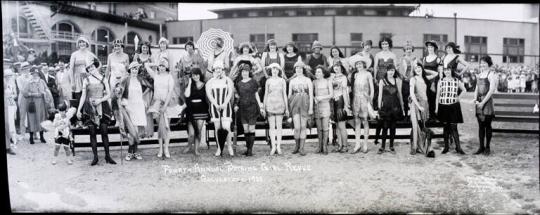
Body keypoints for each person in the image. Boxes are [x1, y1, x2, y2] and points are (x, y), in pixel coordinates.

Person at [76, 58, 117, 165]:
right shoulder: (86, 80)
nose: (91, 69)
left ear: (96, 66)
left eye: (92, 67)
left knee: (104, 131)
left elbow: (109, 94)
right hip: (89, 108)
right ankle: (95, 157)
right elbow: (83, 96)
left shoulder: (103, 79)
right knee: (92, 132)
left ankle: (108, 156)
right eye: (88, 68)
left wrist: (100, 100)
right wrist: (79, 110)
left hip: (102, 106)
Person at [144, 59, 175, 159]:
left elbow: (170, 92)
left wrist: (165, 105)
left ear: (166, 67)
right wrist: (157, 63)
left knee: (166, 126)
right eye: (160, 66)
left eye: (163, 66)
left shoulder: (169, 77)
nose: (161, 67)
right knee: (160, 127)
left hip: (167, 104)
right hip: (156, 104)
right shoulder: (156, 76)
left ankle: (166, 148)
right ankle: (160, 149)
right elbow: (146, 65)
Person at [119, 62, 148, 161]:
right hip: (130, 107)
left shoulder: (140, 79)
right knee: (132, 131)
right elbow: (120, 93)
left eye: (136, 69)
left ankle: (135, 152)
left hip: (139, 107)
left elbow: (149, 87)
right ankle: (130, 152)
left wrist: (143, 99)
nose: (134, 71)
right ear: (130, 70)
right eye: (133, 69)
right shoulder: (126, 80)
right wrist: (124, 104)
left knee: (137, 131)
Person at [206, 60, 235, 157]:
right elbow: (209, 95)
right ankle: (219, 148)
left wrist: (225, 103)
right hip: (215, 107)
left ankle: (229, 146)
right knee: (217, 128)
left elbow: (230, 93)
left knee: (227, 128)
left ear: (223, 69)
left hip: (226, 107)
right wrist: (215, 104)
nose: (218, 70)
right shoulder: (210, 82)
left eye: (220, 68)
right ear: (214, 70)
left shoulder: (228, 80)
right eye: (216, 68)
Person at [436, 67, 468, 155]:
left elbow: (464, 90)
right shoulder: (441, 81)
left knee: (454, 128)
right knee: (446, 127)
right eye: (445, 70)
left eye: (448, 70)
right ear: (444, 71)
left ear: (451, 71)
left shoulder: (456, 80)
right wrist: (436, 108)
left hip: (454, 107)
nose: (447, 72)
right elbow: (438, 95)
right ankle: (446, 147)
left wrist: (459, 98)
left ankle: (458, 148)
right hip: (443, 106)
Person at [234, 62, 263, 157]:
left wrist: (261, 106)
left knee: (251, 129)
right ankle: (247, 149)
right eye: (243, 71)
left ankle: (250, 150)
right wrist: (236, 105)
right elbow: (238, 97)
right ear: (241, 73)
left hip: (252, 108)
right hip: (243, 108)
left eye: (246, 71)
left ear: (249, 72)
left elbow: (256, 94)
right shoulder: (239, 83)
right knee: (246, 130)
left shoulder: (253, 81)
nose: (245, 73)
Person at [373, 38, 398, 145]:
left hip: (390, 78)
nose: (384, 45)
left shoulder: (393, 55)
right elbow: (375, 67)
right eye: (383, 44)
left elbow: (395, 68)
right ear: (380, 45)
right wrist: (375, 79)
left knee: (389, 103)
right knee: (381, 104)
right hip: (380, 79)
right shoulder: (378, 55)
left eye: (386, 43)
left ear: (389, 44)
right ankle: (377, 136)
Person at [409, 63, 438, 157]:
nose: (417, 69)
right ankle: (414, 147)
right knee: (416, 125)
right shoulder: (413, 79)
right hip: (416, 103)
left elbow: (436, 74)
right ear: (413, 70)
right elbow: (412, 94)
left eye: (419, 67)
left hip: (425, 104)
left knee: (423, 125)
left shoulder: (425, 78)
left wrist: (425, 70)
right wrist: (418, 106)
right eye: (415, 68)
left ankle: (420, 144)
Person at [377, 64, 404, 155]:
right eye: (389, 70)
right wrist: (379, 108)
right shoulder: (382, 81)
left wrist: (402, 107)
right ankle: (382, 146)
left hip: (395, 107)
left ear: (394, 71)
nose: (391, 72)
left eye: (393, 70)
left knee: (393, 127)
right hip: (386, 107)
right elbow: (380, 95)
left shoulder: (397, 80)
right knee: (384, 127)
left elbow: (399, 94)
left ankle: (391, 146)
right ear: (387, 71)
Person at [473, 56, 498, 156]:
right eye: (481, 63)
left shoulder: (491, 75)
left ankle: (487, 147)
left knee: (487, 125)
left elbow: (491, 90)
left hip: (487, 103)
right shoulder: (479, 74)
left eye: (484, 63)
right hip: (479, 102)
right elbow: (476, 88)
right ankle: (481, 147)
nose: (482, 65)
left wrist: (483, 102)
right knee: (480, 126)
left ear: (489, 64)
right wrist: (475, 99)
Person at [24, 67, 55, 145]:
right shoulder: (29, 82)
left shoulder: (42, 82)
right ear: (32, 74)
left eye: (37, 73)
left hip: (41, 103)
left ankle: (41, 136)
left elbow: (47, 90)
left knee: (41, 119)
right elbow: (25, 93)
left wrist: (44, 93)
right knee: (32, 119)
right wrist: (33, 94)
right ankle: (31, 137)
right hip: (32, 103)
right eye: (33, 74)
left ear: (38, 74)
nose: (35, 75)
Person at [263, 63, 289, 155]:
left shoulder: (282, 81)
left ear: (279, 71)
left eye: (276, 69)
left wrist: (286, 107)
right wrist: (264, 106)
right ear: (271, 70)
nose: (274, 71)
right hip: (270, 104)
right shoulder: (268, 81)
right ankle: (273, 146)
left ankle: (278, 146)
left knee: (279, 126)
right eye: (273, 69)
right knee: (271, 127)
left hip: (280, 104)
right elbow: (265, 94)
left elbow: (284, 94)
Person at [289, 61, 314, 156]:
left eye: (300, 68)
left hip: (305, 103)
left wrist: (311, 108)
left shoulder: (308, 80)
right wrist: (289, 108)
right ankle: (296, 146)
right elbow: (289, 95)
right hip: (295, 104)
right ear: (294, 69)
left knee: (303, 126)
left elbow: (311, 95)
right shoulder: (292, 81)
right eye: (296, 68)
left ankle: (302, 148)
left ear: (303, 69)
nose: (298, 69)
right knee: (297, 127)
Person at [184, 68, 210, 156]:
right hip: (191, 111)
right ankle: (188, 145)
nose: (196, 76)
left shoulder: (205, 85)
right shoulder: (189, 85)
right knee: (191, 134)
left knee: (198, 131)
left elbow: (207, 98)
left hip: (202, 111)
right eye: (193, 75)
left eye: (197, 74)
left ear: (200, 75)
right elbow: (187, 95)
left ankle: (196, 149)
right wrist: (190, 83)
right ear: (191, 76)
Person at [350, 60, 375, 154]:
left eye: (360, 63)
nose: (358, 65)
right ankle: (357, 144)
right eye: (357, 64)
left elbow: (372, 89)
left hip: (365, 99)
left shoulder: (368, 74)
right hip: (356, 100)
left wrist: (370, 100)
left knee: (365, 121)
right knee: (356, 121)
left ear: (364, 64)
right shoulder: (355, 75)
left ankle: (365, 144)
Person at [69, 36, 98, 115]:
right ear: (78, 44)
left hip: (88, 78)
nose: (82, 44)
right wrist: (72, 82)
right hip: (77, 79)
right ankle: (79, 117)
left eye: (83, 42)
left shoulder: (90, 54)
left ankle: (89, 117)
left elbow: (99, 64)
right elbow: (71, 69)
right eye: (80, 42)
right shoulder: (74, 54)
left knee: (88, 98)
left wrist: (93, 73)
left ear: (86, 43)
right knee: (78, 98)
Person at [133, 41, 155, 138]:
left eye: (146, 47)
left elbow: (154, 72)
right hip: (138, 84)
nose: (144, 49)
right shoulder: (136, 57)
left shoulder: (151, 58)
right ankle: (141, 132)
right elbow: (133, 69)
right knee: (139, 109)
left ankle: (149, 132)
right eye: (143, 47)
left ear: (148, 48)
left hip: (149, 85)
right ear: (141, 48)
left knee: (147, 109)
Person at [330, 61, 351, 153]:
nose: (336, 67)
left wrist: (346, 105)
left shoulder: (343, 77)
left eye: (338, 66)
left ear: (341, 68)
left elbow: (345, 92)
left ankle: (345, 146)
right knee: (337, 126)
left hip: (340, 101)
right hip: (333, 101)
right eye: (335, 66)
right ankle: (340, 145)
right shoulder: (332, 77)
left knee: (342, 125)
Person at [312, 65, 333, 155]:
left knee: (325, 127)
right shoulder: (314, 82)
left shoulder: (328, 81)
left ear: (323, 73)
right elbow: (311, 93)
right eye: (316, 72)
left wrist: (321, 97)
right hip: (317, 106)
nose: (317, 73)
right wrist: (314, 98)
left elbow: (331, 94)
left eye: (319, 72)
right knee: (319, 128)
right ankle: (319, 146)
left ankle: (325, 146)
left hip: (325, 106)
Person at [422, 40, 443, 120]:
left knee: (434, 98)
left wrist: (440, 81)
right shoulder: (424, 59)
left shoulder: (438, 59)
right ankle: (428, 116)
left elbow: (440, 72)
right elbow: (422, 70)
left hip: (434, 82)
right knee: (426, 98)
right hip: (426, 81)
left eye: (431, 47)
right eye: (429, 47)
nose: (430, 48)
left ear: (435, 48)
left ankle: (434, 116)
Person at [400, 41, 418, 117]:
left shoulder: (415, 59)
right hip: (405, 81)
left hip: (413, 80)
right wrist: (404, 77)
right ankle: (406, 114)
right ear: (405, 50)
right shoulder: (402, 59)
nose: (408, 50)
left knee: (414, 97)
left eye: (410, 49)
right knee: (405, 97)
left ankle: (414, 115)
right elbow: (400, 70)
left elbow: (418, 69)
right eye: (407, 49)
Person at [4, 66, 19, 146]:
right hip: (5, 104)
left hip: (11, 105)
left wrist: (11, 97)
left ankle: (12, 138)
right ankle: (7, 138)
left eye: (10, 75)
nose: (8, 77)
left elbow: (15, 94)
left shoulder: (13, 84)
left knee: (11, 122)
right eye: (7, 76)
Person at [16, 62, 32, 136]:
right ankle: (22, 134)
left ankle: (33, 133)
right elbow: (21, 89)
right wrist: (28, 93)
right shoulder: (19, 78)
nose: (26, 70)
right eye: (24, 69)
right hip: (23, 98)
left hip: (31, 98)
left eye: (27, 68)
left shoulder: (32, 77)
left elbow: (34, 87)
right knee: (22, 116)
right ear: (22, 70)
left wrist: (31, 94)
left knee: (32, 116)